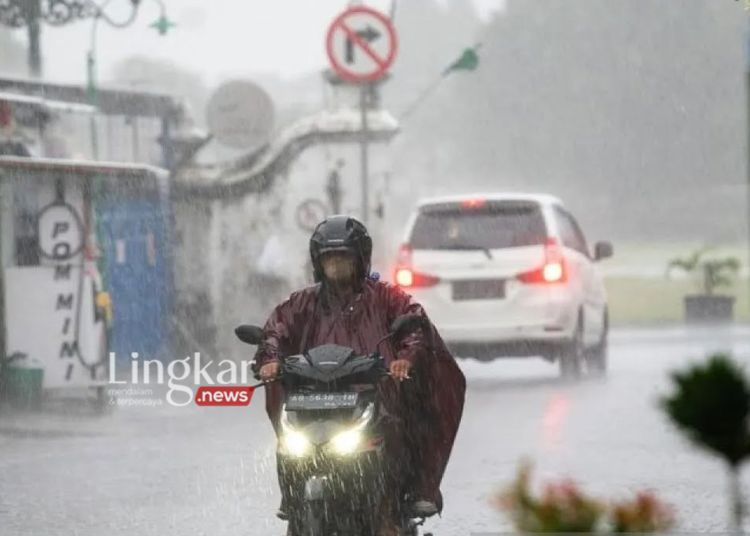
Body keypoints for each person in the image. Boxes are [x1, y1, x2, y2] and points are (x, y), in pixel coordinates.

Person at [252, 215, 466, 530]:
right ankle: (293, 495)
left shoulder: (387, 298)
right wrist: (269, 358)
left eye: (343, 257)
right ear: (318, 262)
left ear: (360, 258)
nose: (336, 265)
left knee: (402, 432)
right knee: (289, 441)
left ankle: (403, 498)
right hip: (313, 403)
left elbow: (413, 324)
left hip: (374, 401)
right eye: (329, 258)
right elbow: (276, 329)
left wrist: (404, 358)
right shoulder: (302, 303)